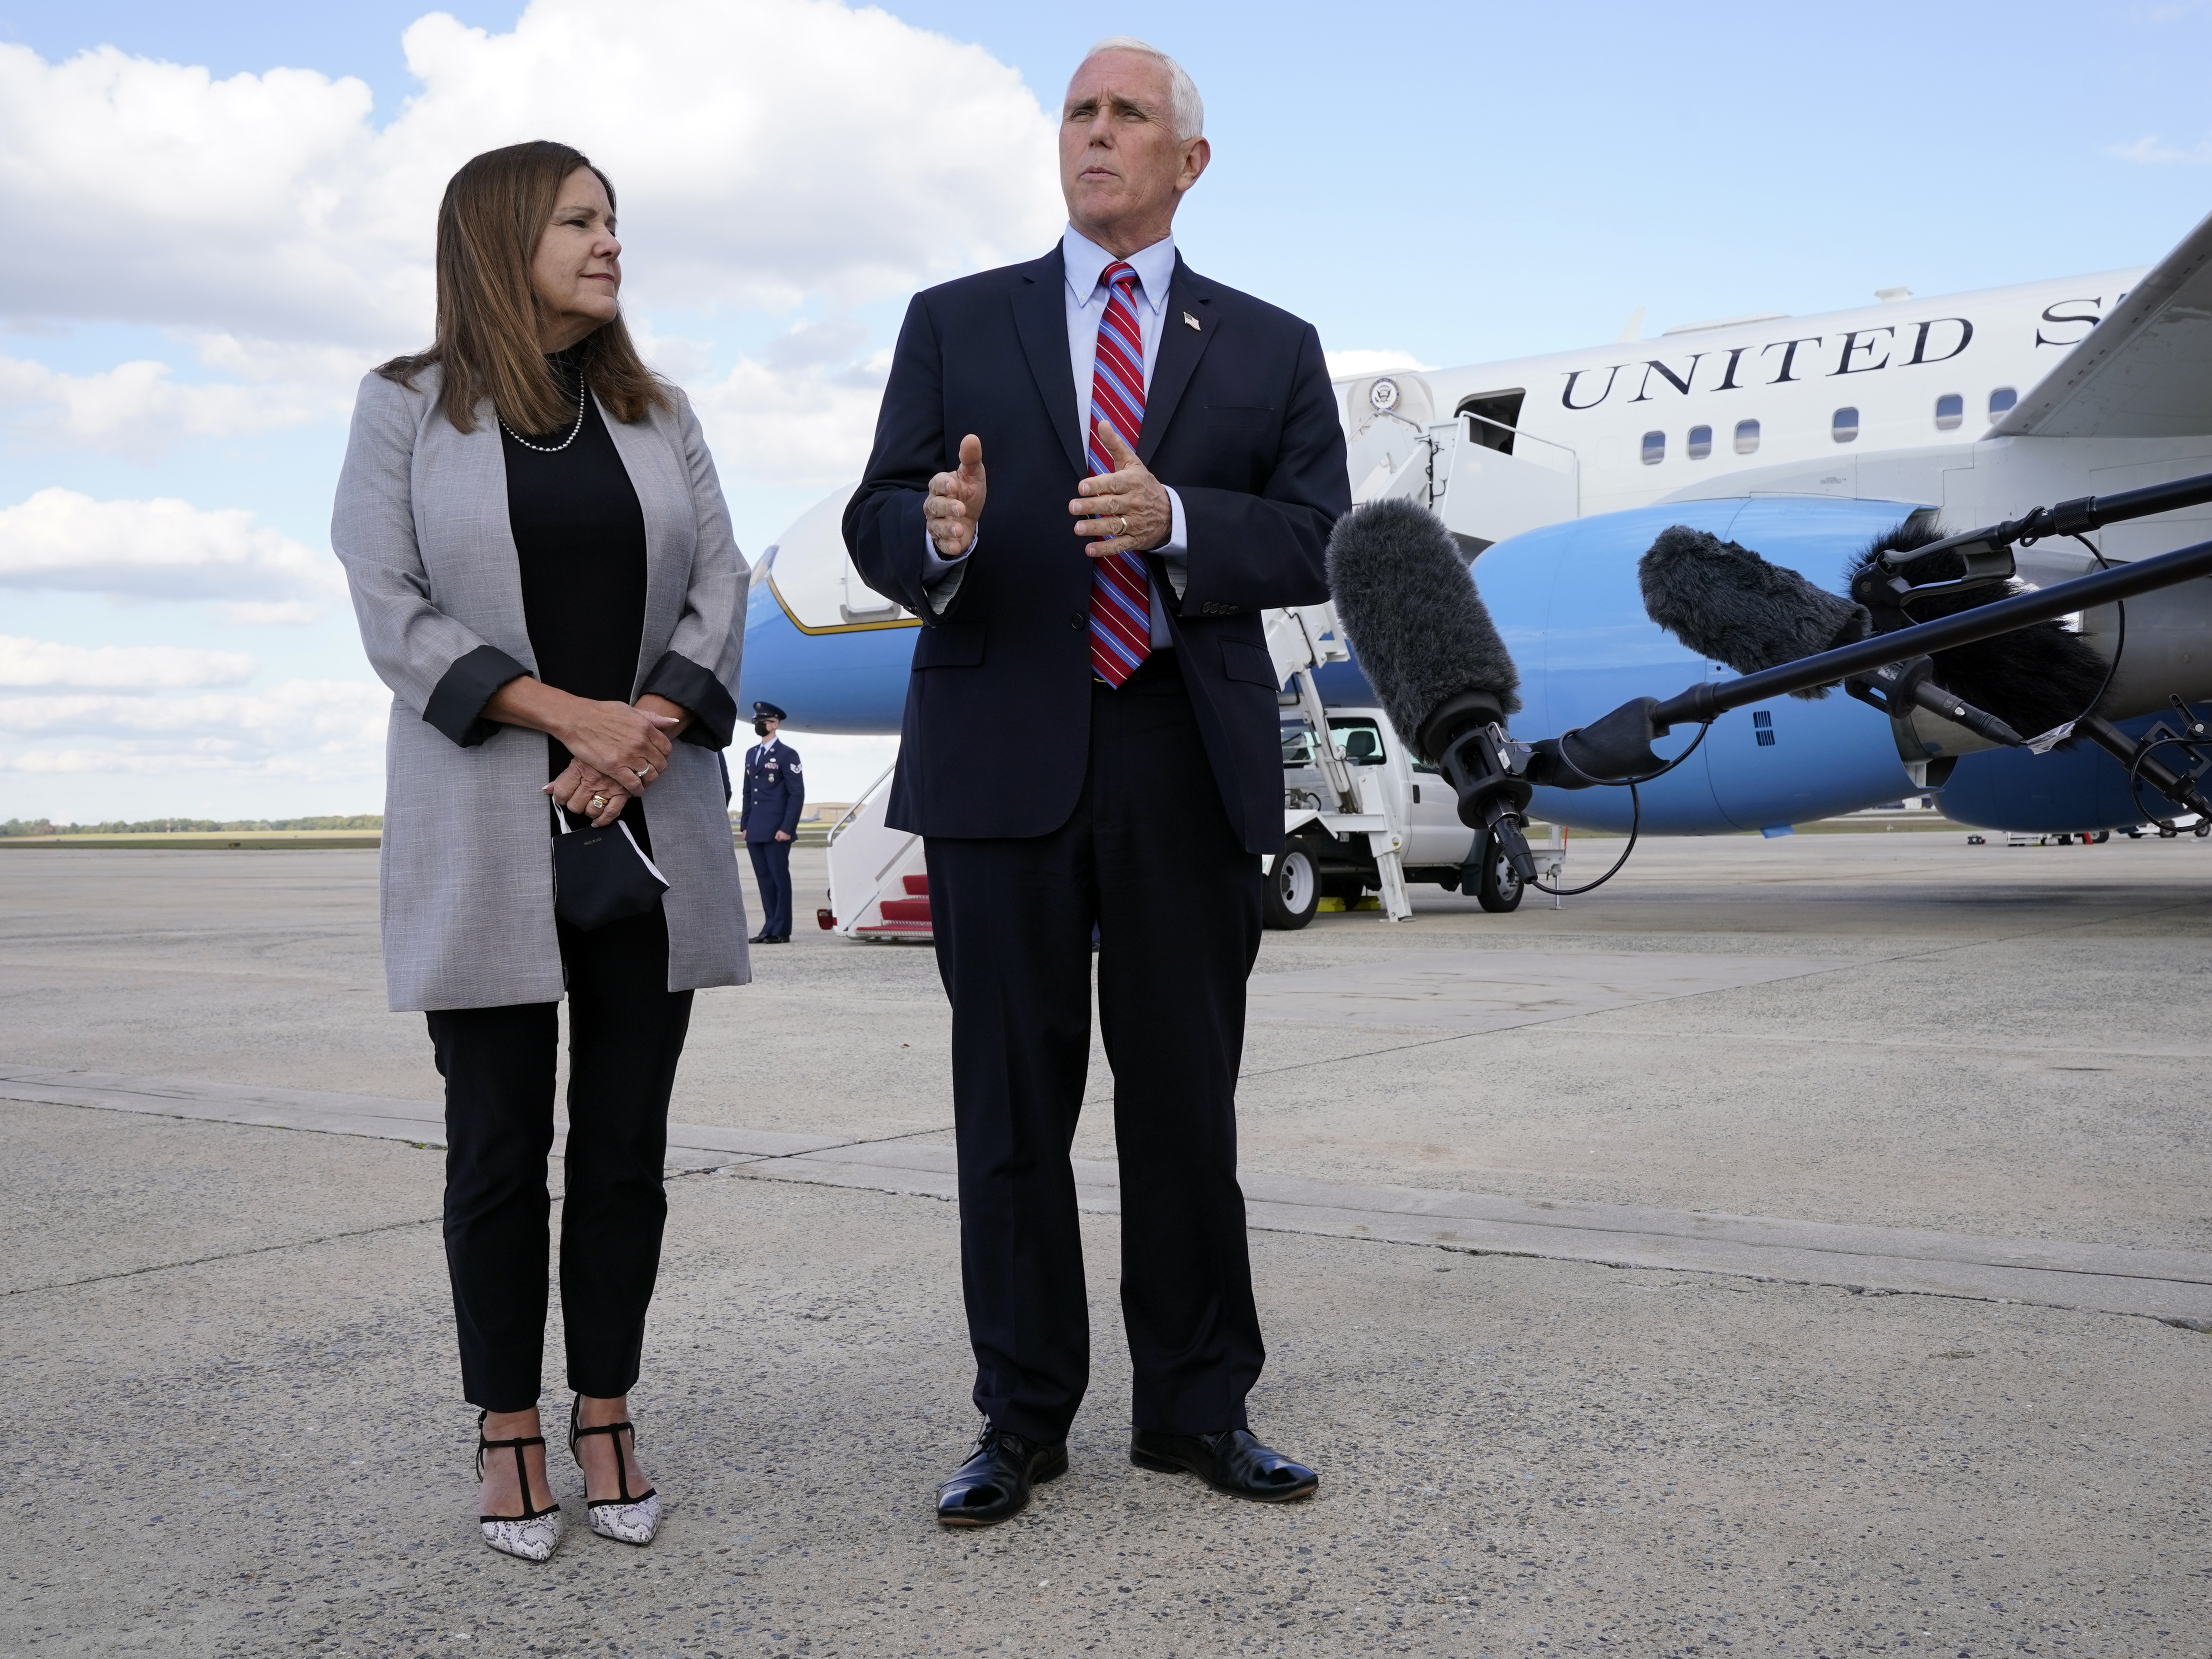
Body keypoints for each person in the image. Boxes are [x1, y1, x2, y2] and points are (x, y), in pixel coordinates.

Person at [844, 37, 1348, 1527]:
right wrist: (933, 529)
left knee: (1185, 1101)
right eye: (1078, 112)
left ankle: (1198, 1406)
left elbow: (1320, 537)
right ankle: (1020, 1416)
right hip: (1004, 755)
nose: (1098, 134)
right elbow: (882, 508)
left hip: (1179, 751)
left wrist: (1182, 515)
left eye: (1130, 115)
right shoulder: (955, 323)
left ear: (1188, 162)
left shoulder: (1268, 343)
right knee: (1009, 1105)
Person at [333, 140, 749, 1562]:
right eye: (579, 219)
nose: (608, 241)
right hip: (484, 830)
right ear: (502, 239)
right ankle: (507, 1419)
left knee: (626, 1146)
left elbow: (722, 583)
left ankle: (607, 1408)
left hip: (652, 826)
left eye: (614, 219)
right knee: (500, 1147)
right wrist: (569, 714)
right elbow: (390, 606)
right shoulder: (404, 408)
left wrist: (637, 732)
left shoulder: (657, 409)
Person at [740, 701, 804, 943]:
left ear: (775, 724)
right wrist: (745, 825)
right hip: (756, 828)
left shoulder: (787, 755)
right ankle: (768, 928)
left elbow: (796, 794)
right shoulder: (752, 754)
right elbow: (748, 792)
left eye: (763, 722)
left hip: (778, 829)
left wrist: (787, 828)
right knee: (764, 880)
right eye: (757, 723)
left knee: (779, 879)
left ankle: (781, 930)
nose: (759, 726)